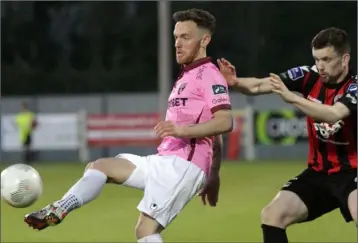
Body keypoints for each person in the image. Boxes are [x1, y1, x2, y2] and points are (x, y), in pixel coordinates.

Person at [24, 9, 233, 243]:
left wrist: (183, 132)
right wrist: (214, 174)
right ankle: (60, 208)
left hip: (184, 166)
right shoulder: (187, 75)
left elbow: (224, 122)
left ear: (205, 40)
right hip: (165, 160)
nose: (177, 43)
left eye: (186, 37)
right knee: (100, 166)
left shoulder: (210, 75)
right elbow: (213, 129)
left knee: (146, 231)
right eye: (176, 37)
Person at [218, 27, 356, 243]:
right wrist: (236, 82)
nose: (320, 66)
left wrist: (291, 97)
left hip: (353, 172)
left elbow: (333, 114)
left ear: (345, 59)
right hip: (319, 173)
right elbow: (259, 85)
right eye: (317, 59)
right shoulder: (307, 75)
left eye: (327, 59)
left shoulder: (355, 87)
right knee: (272, 215)